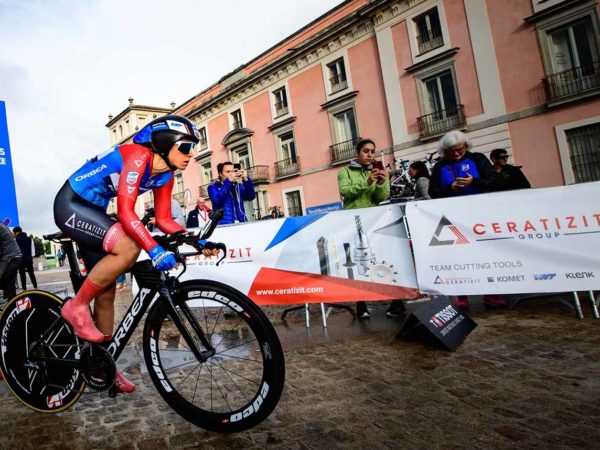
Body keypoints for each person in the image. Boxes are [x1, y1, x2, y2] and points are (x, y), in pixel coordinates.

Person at [53, 114, 214, 394]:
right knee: (129, 246)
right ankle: (75, 307)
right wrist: (154, 250)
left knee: (106, 291)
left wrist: (195, 239)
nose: (191, 154)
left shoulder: (165, 174)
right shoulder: (138, 156)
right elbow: (126, 213)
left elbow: (164, 219)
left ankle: (102, 365)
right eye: (186, 147)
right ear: (165, 143)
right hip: (71, 204)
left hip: (94, 211)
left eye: (193, 148)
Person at [429, 130, 501, 308]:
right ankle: (462, 296)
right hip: (453, 218)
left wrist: (473, 182)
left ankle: (491, 292)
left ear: (466, 146)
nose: (456, 154)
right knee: (458, 257)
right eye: (451, 151)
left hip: (480, 216)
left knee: (486, 254)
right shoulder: (439, 167)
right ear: (444, 151)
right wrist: (450, 189)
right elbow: (433, 192)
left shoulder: (477, 159)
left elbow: (495, 181)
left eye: (459, 149)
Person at [337, 139, 392, 319]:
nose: (370, 155)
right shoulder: (345, 172)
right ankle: (361, 303)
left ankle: (396, 300)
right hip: (353, 221)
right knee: (358, 261)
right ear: (357, 153)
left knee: (382, 258)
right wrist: (367, 182)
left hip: (374, 220)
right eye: (366, 151)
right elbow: (346, 192)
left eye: (372, 151)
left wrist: (382, 183)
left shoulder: (377, 170)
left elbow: (381, 197)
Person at [0, 222, 22, 302]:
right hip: (15, 256)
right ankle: (12, 305)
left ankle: (11, 302)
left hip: (10, 258)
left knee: (7, 283)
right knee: (10, 285)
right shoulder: (2, 224)